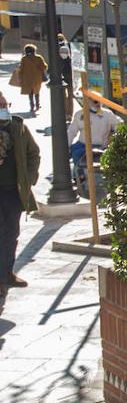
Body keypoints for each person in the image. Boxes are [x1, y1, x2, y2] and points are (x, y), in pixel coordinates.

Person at [0, 94, 38, 287]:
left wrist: (29, 178)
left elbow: (33, 153)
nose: (3, 108)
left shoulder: (18, 129)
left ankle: (7, 273)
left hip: (12, 193)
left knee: (11, 234)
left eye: (4, 105)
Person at [67, 99, 121, 187]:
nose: (98, 103)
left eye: (99, 101)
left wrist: (116, 137)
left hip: (101, 146)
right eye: (95, 101)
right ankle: (79, 177)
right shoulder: (80, 114)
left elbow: (118, 125)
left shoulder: (107, 114)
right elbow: (72, 131)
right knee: (75, 151)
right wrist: (67, 145)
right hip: (82, 145)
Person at [11, 44, 46, 113]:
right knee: (37, 91)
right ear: (34, 50)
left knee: (30, 92)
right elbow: (44, 67)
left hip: (27, 78)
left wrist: (20, 76)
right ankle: (37, 105)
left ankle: (32, 106)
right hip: (37, 78)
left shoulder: (24, 59)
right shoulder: (39, 57)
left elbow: (21, 69)